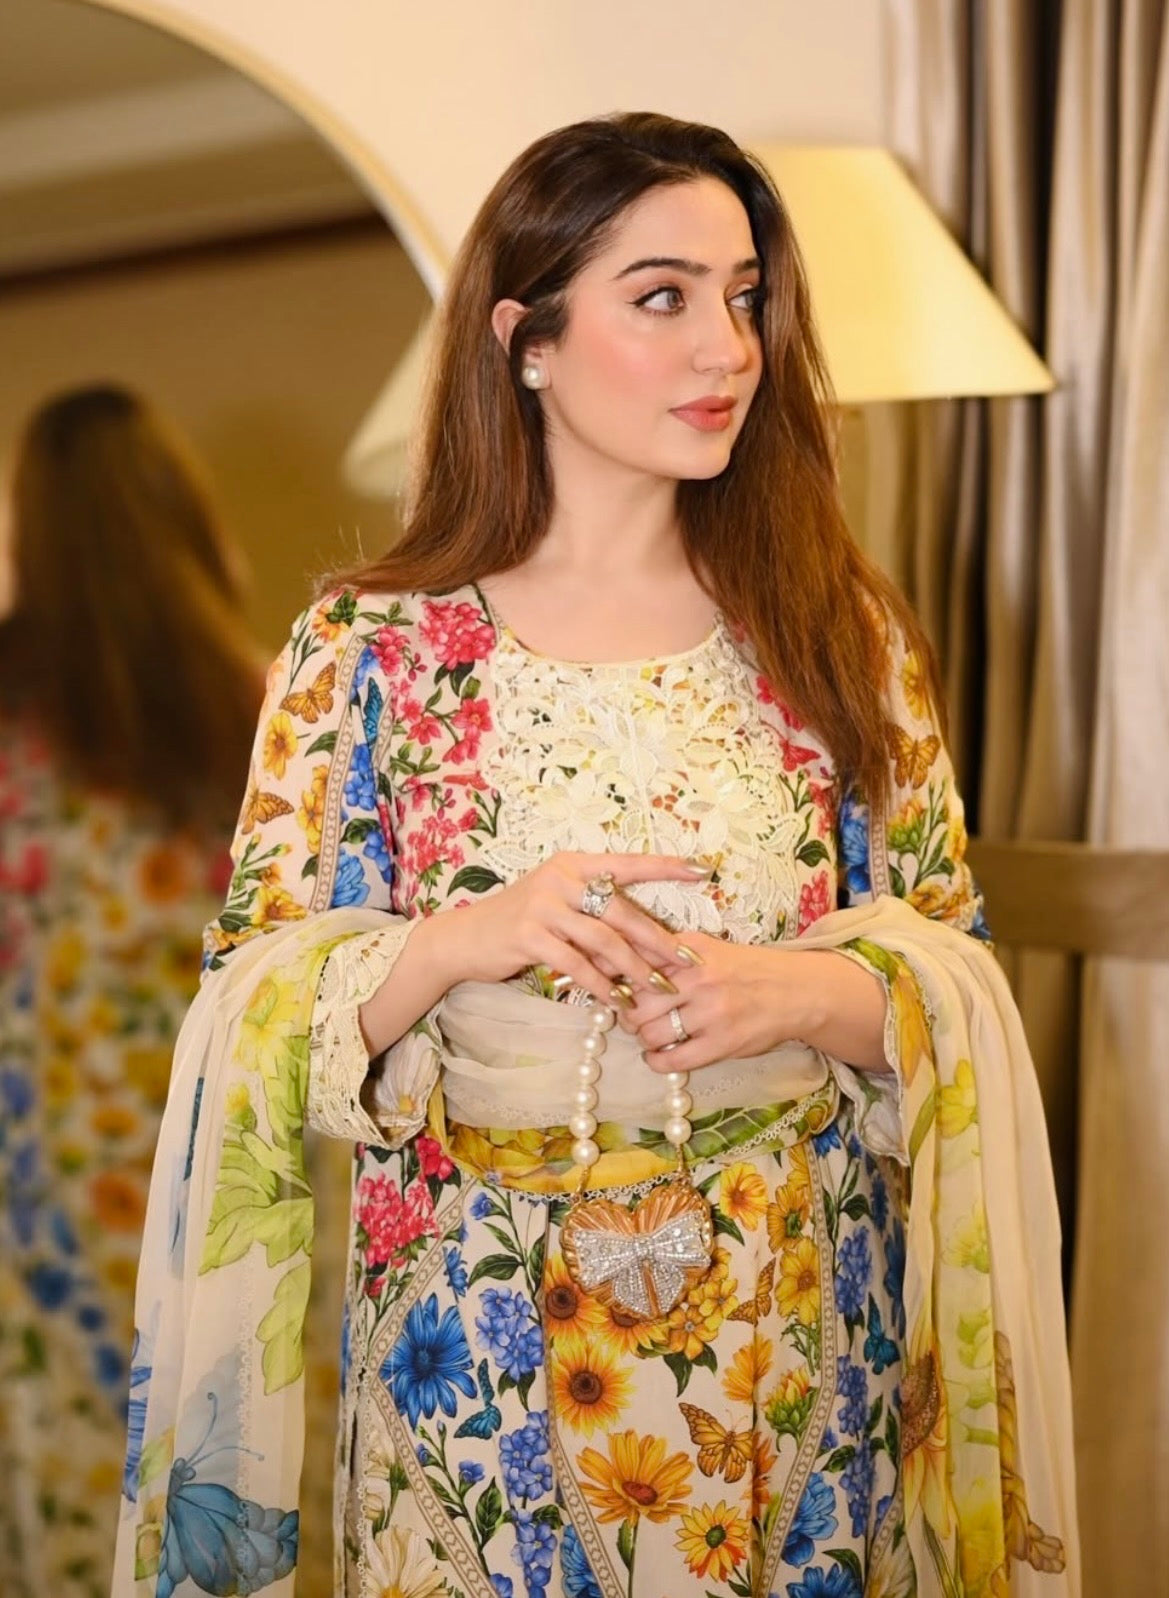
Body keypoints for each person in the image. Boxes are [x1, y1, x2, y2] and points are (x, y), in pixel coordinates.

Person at [113, 115, 1079, 1598]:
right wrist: (459, 940)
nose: (727, 347)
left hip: (798, 1360)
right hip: (472, 1384)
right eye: (662, 296)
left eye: (744, 296)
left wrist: (798, 993)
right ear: (528, 343)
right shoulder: (365, 653)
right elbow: (247, 1030)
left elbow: (954, 970)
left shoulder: (839, 629)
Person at [0, 385, 265, 1598]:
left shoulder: (16, 736)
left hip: (46, 1193)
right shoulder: (256, 714)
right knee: (232, 1470)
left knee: (76, 1485)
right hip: (227, 1167)